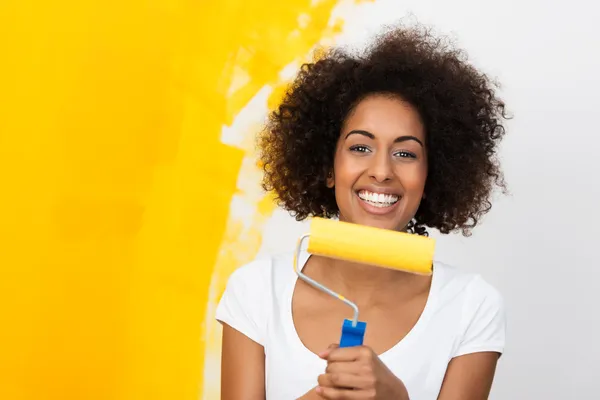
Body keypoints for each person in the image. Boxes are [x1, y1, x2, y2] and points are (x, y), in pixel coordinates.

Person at [216, 24, 508, 400]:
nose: (383, 170)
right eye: (360, 148)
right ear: (326, 166)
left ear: (431, 174)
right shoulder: (256, 290)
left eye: (405, 153)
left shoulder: (472, 305)